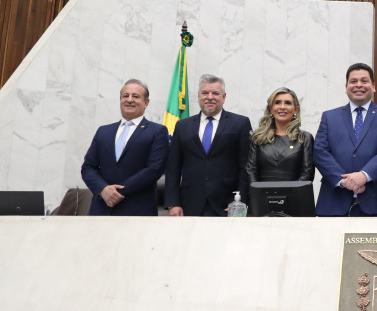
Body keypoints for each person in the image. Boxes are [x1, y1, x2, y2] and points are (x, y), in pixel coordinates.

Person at [314, 63, 377, 216]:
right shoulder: (329, 117)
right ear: (346, 86)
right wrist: (343, 181)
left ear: (373, 86)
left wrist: (364, 175)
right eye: (353, 81)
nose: (359, 85)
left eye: (364, 81)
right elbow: (320, 152)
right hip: (335, 202)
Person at [165, 74, 252, 216]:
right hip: (189, 203)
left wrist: (240, 201)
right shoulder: (182, 126)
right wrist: (173, 203)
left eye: (215, 93)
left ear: (224, 97)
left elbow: (246, 166)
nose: (210, 97)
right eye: (205, 93)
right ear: (198, 96)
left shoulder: (240, 123)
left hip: (227, 203)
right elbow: (173, 167)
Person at [81, 79, 169, 216]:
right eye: (125, 96)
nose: (129, 100)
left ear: (146, 103)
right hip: (101, 209)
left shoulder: (157, 131)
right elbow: (88, 167)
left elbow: (154, 169)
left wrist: (116, 193)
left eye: (135, 96)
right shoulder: (104, 131)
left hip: (137, 210)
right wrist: (103, 190)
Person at [246, 87, 314, 184]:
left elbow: (307, 173)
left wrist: (289, 194)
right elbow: (251, 171)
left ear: (296, 109)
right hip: (262, 196)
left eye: (287, 103)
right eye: (277, 102)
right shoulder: (258, 137)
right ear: (270, 109)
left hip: (295, 196)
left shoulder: (304, 138)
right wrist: (259, 193)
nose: (282, 107)